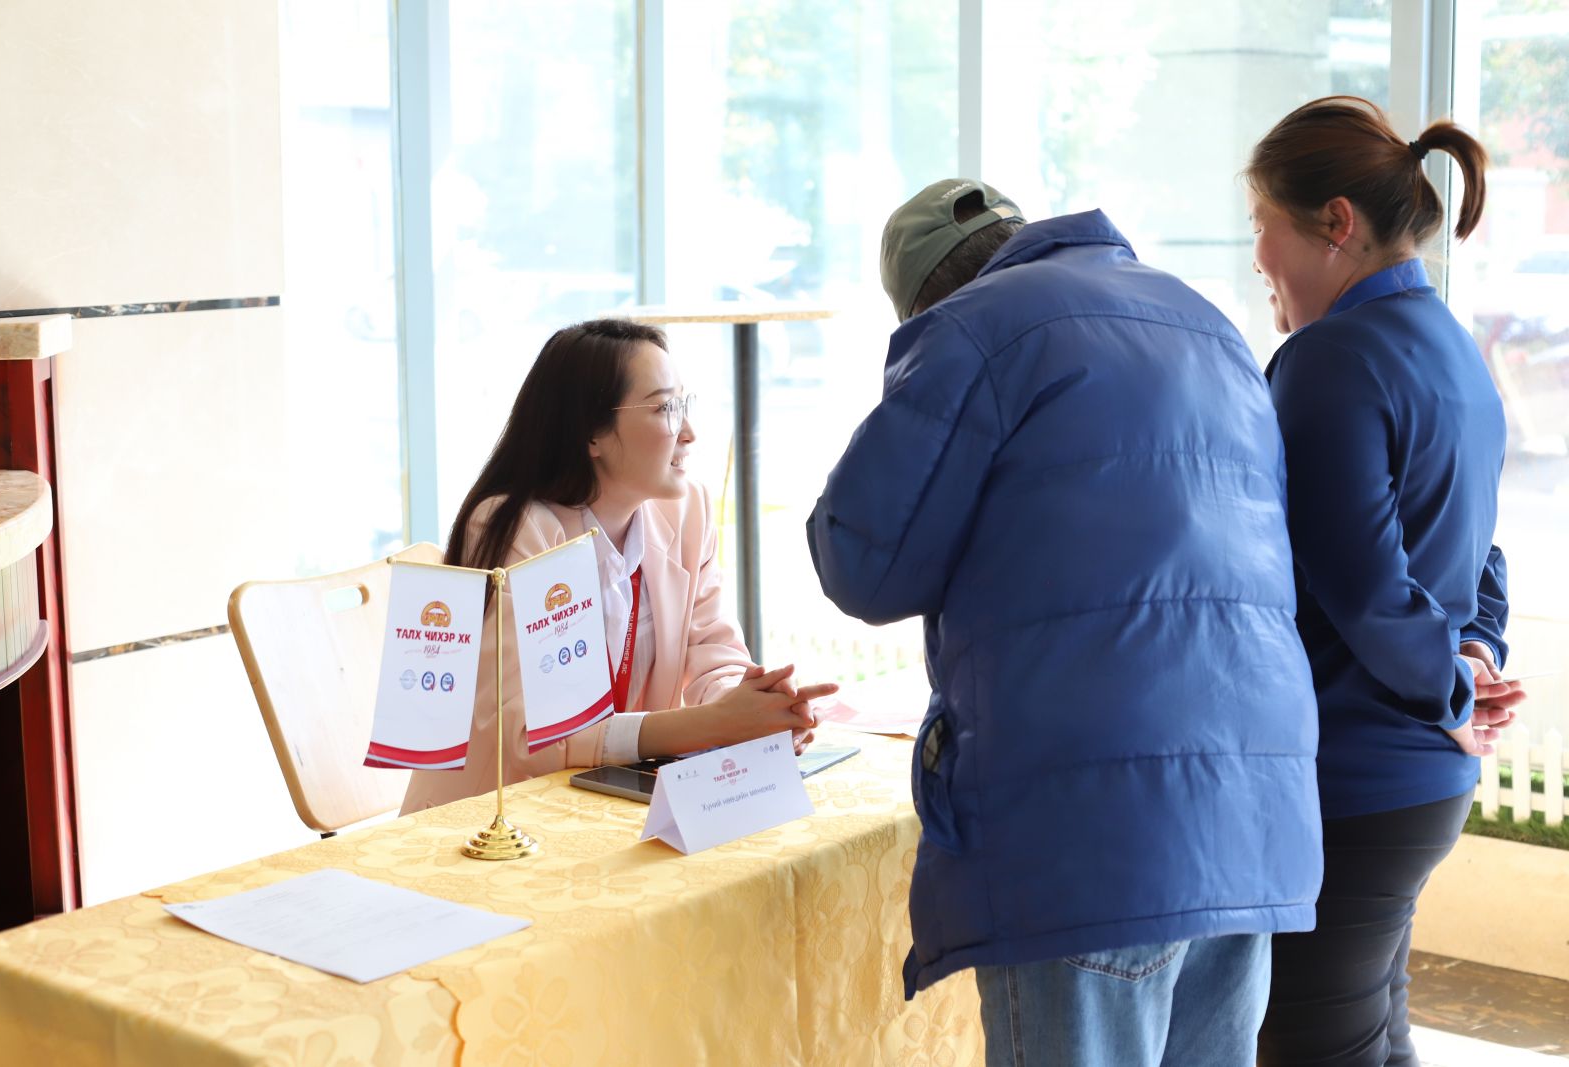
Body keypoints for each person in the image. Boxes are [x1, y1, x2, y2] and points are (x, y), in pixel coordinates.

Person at [806, 179, 1323, 1066]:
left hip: (1090, 833)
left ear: (925, 298)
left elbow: (863, 562)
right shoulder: (1204, 320)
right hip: (1253, 814)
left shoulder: (971, 330)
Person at [1245, 96, 1529, 1066]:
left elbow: (1364, 589)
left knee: (1314, 1046)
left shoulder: (1326, 359)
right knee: (1365, 1037)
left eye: (1262, 228)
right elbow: (1480, 552)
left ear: (1334, 223)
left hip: (1354, 772)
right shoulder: (1452, 346)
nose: (1257, 261)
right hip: (1413, 776)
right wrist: (1472, 654)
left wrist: (1453, 686)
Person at [403, 318, 834, 812]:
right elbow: (537, 738)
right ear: (592, 434)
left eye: (684, 405)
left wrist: (757, 705)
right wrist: (715, 723)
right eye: (664, 408)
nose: (688, 433)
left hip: (601, 807)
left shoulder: (685, 508)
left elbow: (712, 651)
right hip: (491, 824)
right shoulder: (519, 529)